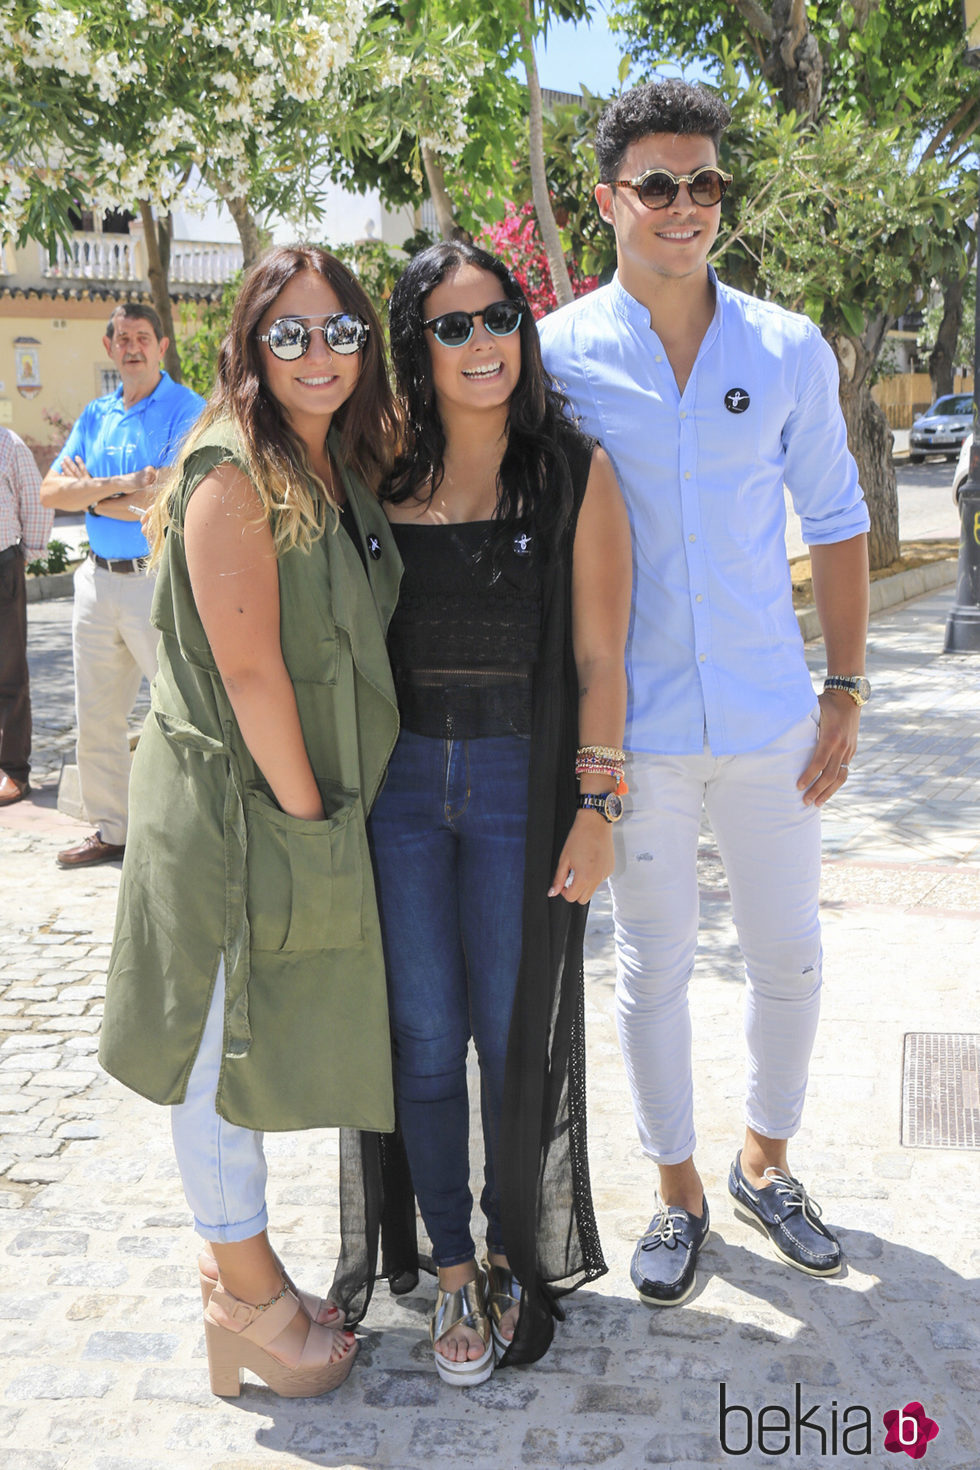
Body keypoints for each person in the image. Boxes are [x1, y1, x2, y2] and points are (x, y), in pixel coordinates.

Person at [539, 79, 870, 1308]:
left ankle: (763, 1163)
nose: (688, 207)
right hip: (634, 732)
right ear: (609, 199)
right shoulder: (557, 357)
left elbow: (837, 520)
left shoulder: (785, 348)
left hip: (772, 714)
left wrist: (841, 686)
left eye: (707, 183)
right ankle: (674, 1189)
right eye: (661, 184)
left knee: (788, 951)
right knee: (652, 963)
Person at [99, 245, 402, 1399]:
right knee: (217, 1043)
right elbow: (252, 672)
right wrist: (311, 825)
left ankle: (246, 1276)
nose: (317, 353)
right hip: (242, 804)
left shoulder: (327, 459)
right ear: (248, 347)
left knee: (255, 1030)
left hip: (281, 797)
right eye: (289, 334)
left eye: (337, 331)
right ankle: (247, 1294)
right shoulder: (233, 469)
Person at [335, 241, 631, 1384]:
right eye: (450, 327)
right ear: (416, 346)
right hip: (399, 787)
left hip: (520, 784)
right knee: (419, 1034)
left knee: (512, 1039)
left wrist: (596, 806)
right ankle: (447, 1260)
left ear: (523, 324)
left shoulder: (570, 471)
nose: (480, 344)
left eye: (496, 317)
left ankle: (513, 1252)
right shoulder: (376, 468)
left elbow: (603, 657)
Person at [40, 304, 205, 868]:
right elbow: (50, 492)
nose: (132, 347)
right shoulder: (96, 413)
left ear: (162, 346)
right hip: (96, 583)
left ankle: (195, 830)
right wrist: (121, 487)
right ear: (109, 348)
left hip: (154, 579)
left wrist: (91, 492)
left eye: (143, 338)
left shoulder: (187, 409)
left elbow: (166, 499)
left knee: (183, 710)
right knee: (98, 716)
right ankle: (113, 830)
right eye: (122, 338)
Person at [0, 427, 53, 807]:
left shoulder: (7, 443)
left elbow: (36, 500)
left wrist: (28, 554)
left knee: (8, 672)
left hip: (1, 565)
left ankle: (13, 770)